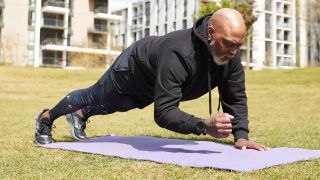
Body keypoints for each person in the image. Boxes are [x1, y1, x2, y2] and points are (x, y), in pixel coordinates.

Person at [34, 8, 269, 151]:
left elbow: (235, 97)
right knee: (97, 95)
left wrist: (241, 136)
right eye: (228, 43)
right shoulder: (180, 53)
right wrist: (203, 126)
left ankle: (79, 116)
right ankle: (45, 118)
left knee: (118, 105)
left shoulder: (231, 58)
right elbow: (164, 112)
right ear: (211, 33)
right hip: (134, 66)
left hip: (154, 79)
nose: (233, 51)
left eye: (238, 45)